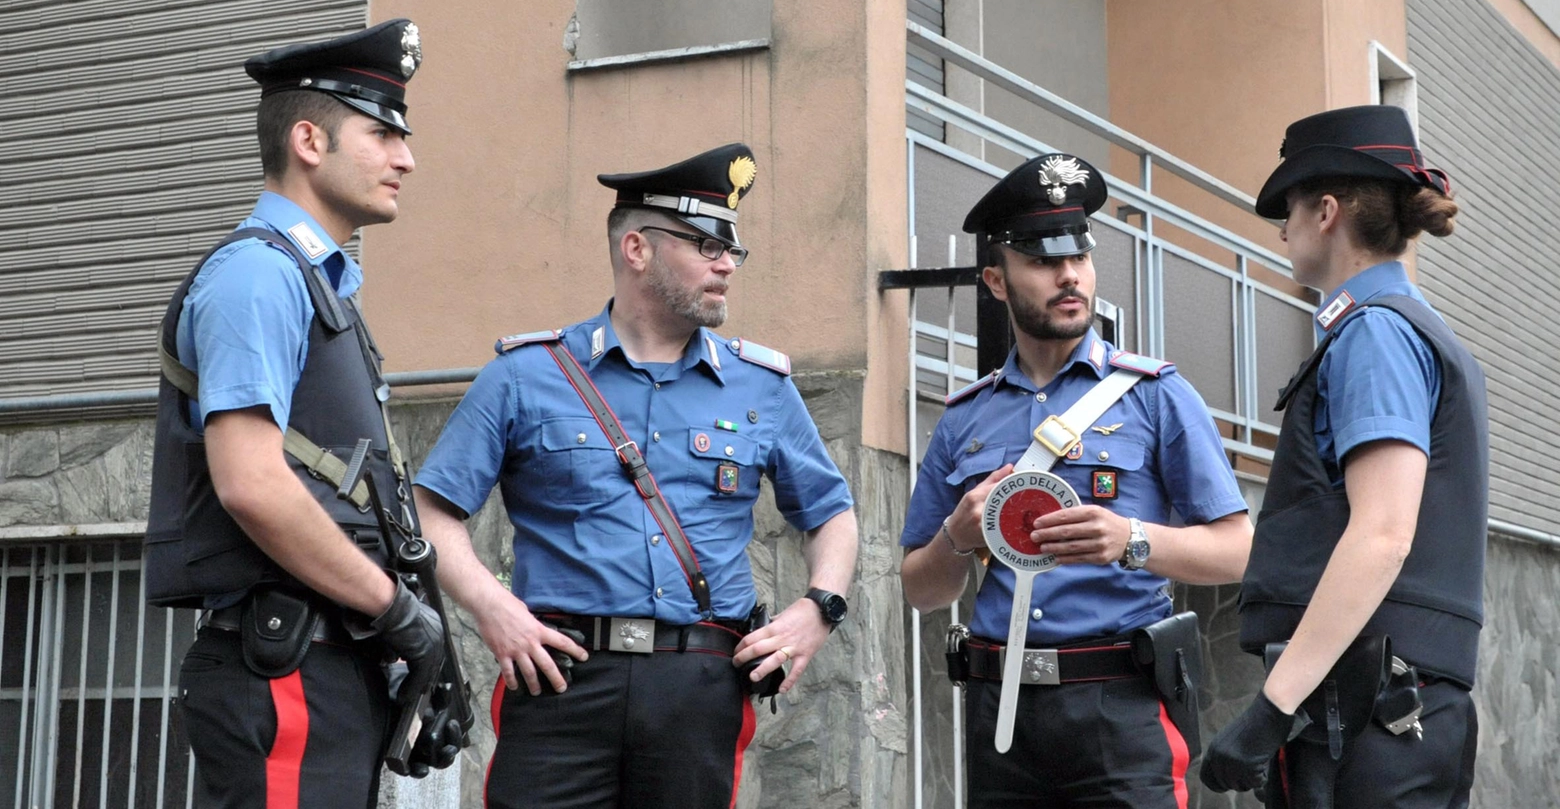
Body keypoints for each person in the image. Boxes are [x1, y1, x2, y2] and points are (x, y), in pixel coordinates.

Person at [412, 142, 860, 809]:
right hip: (560, 678)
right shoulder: (526, 374)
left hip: (699, 685)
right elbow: (430, 509)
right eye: (705, 244)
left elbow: (831, 512)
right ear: (637, 249)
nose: (725, 264)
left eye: (732, 249)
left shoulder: (760, 385)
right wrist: (493, 607)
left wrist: (817, 610)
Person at [144, 20, 449, 807]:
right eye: (383, 133)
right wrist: (396, 612)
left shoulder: (317, 285)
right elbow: (252, 483)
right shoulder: (261, 277)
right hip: (285, 665)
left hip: (319, 661)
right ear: (309, 140)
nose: (406, 158)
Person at [899, 152, 1253, 808]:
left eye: (1079, 258)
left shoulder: (1156, 396)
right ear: (996, 281)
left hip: (1121, 709)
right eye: (1042, 260)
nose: (1069, 276)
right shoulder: (963, 416)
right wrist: (956, 534)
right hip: (1000, 713)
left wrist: (1131, 539)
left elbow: (1239, 548)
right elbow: (920, 588)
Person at [1202, 105, 1486, 807]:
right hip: (1393, 709)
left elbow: (1383, 532)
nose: (1282, 228)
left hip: (1370, 719)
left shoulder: (1374, 335)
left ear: (1327, 211)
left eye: (1291, 209)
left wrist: (1270, 709)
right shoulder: (1418, 328)